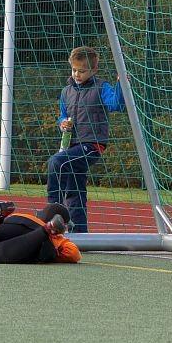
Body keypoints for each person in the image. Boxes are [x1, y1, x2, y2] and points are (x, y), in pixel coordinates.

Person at [46, 46, 125, 233]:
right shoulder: (66, 91)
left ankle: (51, 211)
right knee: (75, 191)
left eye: (81, 71)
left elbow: (116, 105)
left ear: (94, 70)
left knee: (56, 162)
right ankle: (80, 234)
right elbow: (62, 115)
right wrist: (62, 123)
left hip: (92, 145)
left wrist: (121, 84)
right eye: (74, 70)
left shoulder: (101, 87)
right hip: (71, 146)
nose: (77, 74)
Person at [0, 201, 81, 264]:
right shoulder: (58, 237)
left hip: (10, 222)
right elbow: (73, 254)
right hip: (36, 234)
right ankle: (48, 229)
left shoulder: (24, 216)